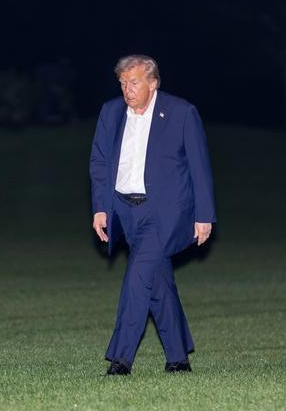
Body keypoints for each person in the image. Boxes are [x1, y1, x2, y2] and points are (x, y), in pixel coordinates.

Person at [89, 54, 216, 375]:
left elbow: (199, 167)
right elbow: (100, 163)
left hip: (163, 213)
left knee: (137, 277)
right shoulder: (111, 112)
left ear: (153, 83)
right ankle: (178, 357)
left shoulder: (181, 113)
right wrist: (101, 208)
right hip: (124, 210)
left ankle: (121, 358)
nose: (127, 90)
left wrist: (204, 215)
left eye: (134, 83)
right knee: (157, 282)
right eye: (123, 83)